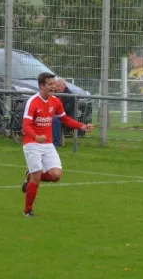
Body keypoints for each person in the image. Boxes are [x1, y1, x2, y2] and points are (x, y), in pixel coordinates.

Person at [20, 72, 94, 217]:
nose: (53, 87)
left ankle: (30, 176)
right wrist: (35, 136)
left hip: (47, 144)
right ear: (41, 86)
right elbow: (26, 125)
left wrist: (82, 126)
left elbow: (65, 119)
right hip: (32, 143)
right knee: (37, 177)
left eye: (54, 84)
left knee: (56, 175)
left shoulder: (55, 101)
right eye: (50, 84)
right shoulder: (33, 102)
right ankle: (27, 210)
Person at [52, 77, 76, 147]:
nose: (56, 88)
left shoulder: (70, 95)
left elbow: (66, 110)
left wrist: (53, 111)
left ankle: (56, 143)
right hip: (54, 114)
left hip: (66, 117)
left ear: (64, 85)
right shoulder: (54, 93)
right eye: (55, 86)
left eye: (58, 86)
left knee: (55, 119)